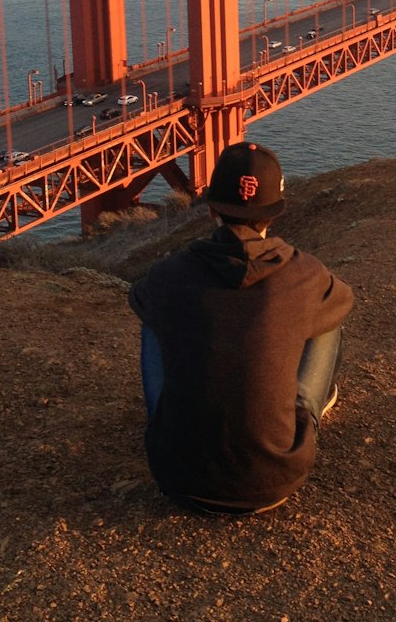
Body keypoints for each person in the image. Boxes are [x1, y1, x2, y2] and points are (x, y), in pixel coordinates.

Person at [128, 141, 353, 515]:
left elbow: (137, 297)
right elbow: (344, 302)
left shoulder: (172, 273)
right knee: (327, 316)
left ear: (212, 208)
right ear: (275, 212)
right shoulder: (304, 274)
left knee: (152, 318)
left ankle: (175, 419)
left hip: (177, 476)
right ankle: (308, 408)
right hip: (275, 478)